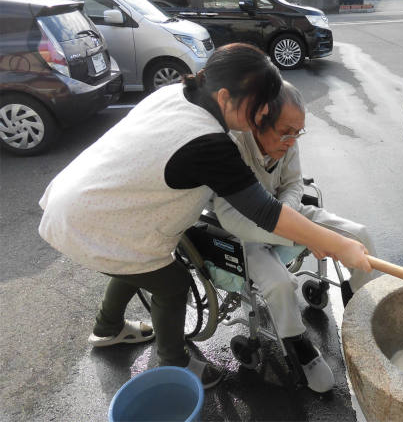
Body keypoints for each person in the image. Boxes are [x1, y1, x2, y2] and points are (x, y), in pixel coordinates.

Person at [37, 43, 371, 390]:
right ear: (226, 97)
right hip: (96, 220)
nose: (263, 116)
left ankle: (107, 328)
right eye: (259, 106)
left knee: (135, 264)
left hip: (80, 199)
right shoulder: (210, 142)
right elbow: (263, 211)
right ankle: (176, 363)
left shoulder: (175, 93)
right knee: (171, 283)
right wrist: (333, 242)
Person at [212, 81, 377, 393]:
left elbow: (293, 184)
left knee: (360, 235)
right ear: (257, 121)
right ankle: (298, 343)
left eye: (298, 133)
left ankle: (360, 308)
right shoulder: (232, 146)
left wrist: (289, 218)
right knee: (280, 284)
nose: (291, 140)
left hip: (289, 215)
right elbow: (232, 216)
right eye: (285, 132)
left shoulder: (288, 141)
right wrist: (291, 229)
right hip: (246, 232)